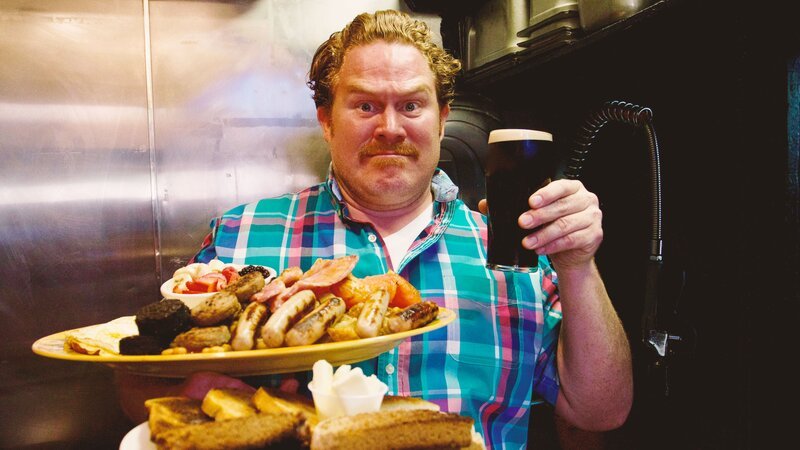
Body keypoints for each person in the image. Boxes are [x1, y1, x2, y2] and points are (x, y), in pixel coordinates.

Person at [120, 9, 632, 449]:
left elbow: (600, 411)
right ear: (325, 119)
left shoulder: (516, 250)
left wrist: (578, 265)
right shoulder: (240, 237)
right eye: (365, 105)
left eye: (411, 105)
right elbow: (135, 384)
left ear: (441, 118)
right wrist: (183, 392)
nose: (390, 128)